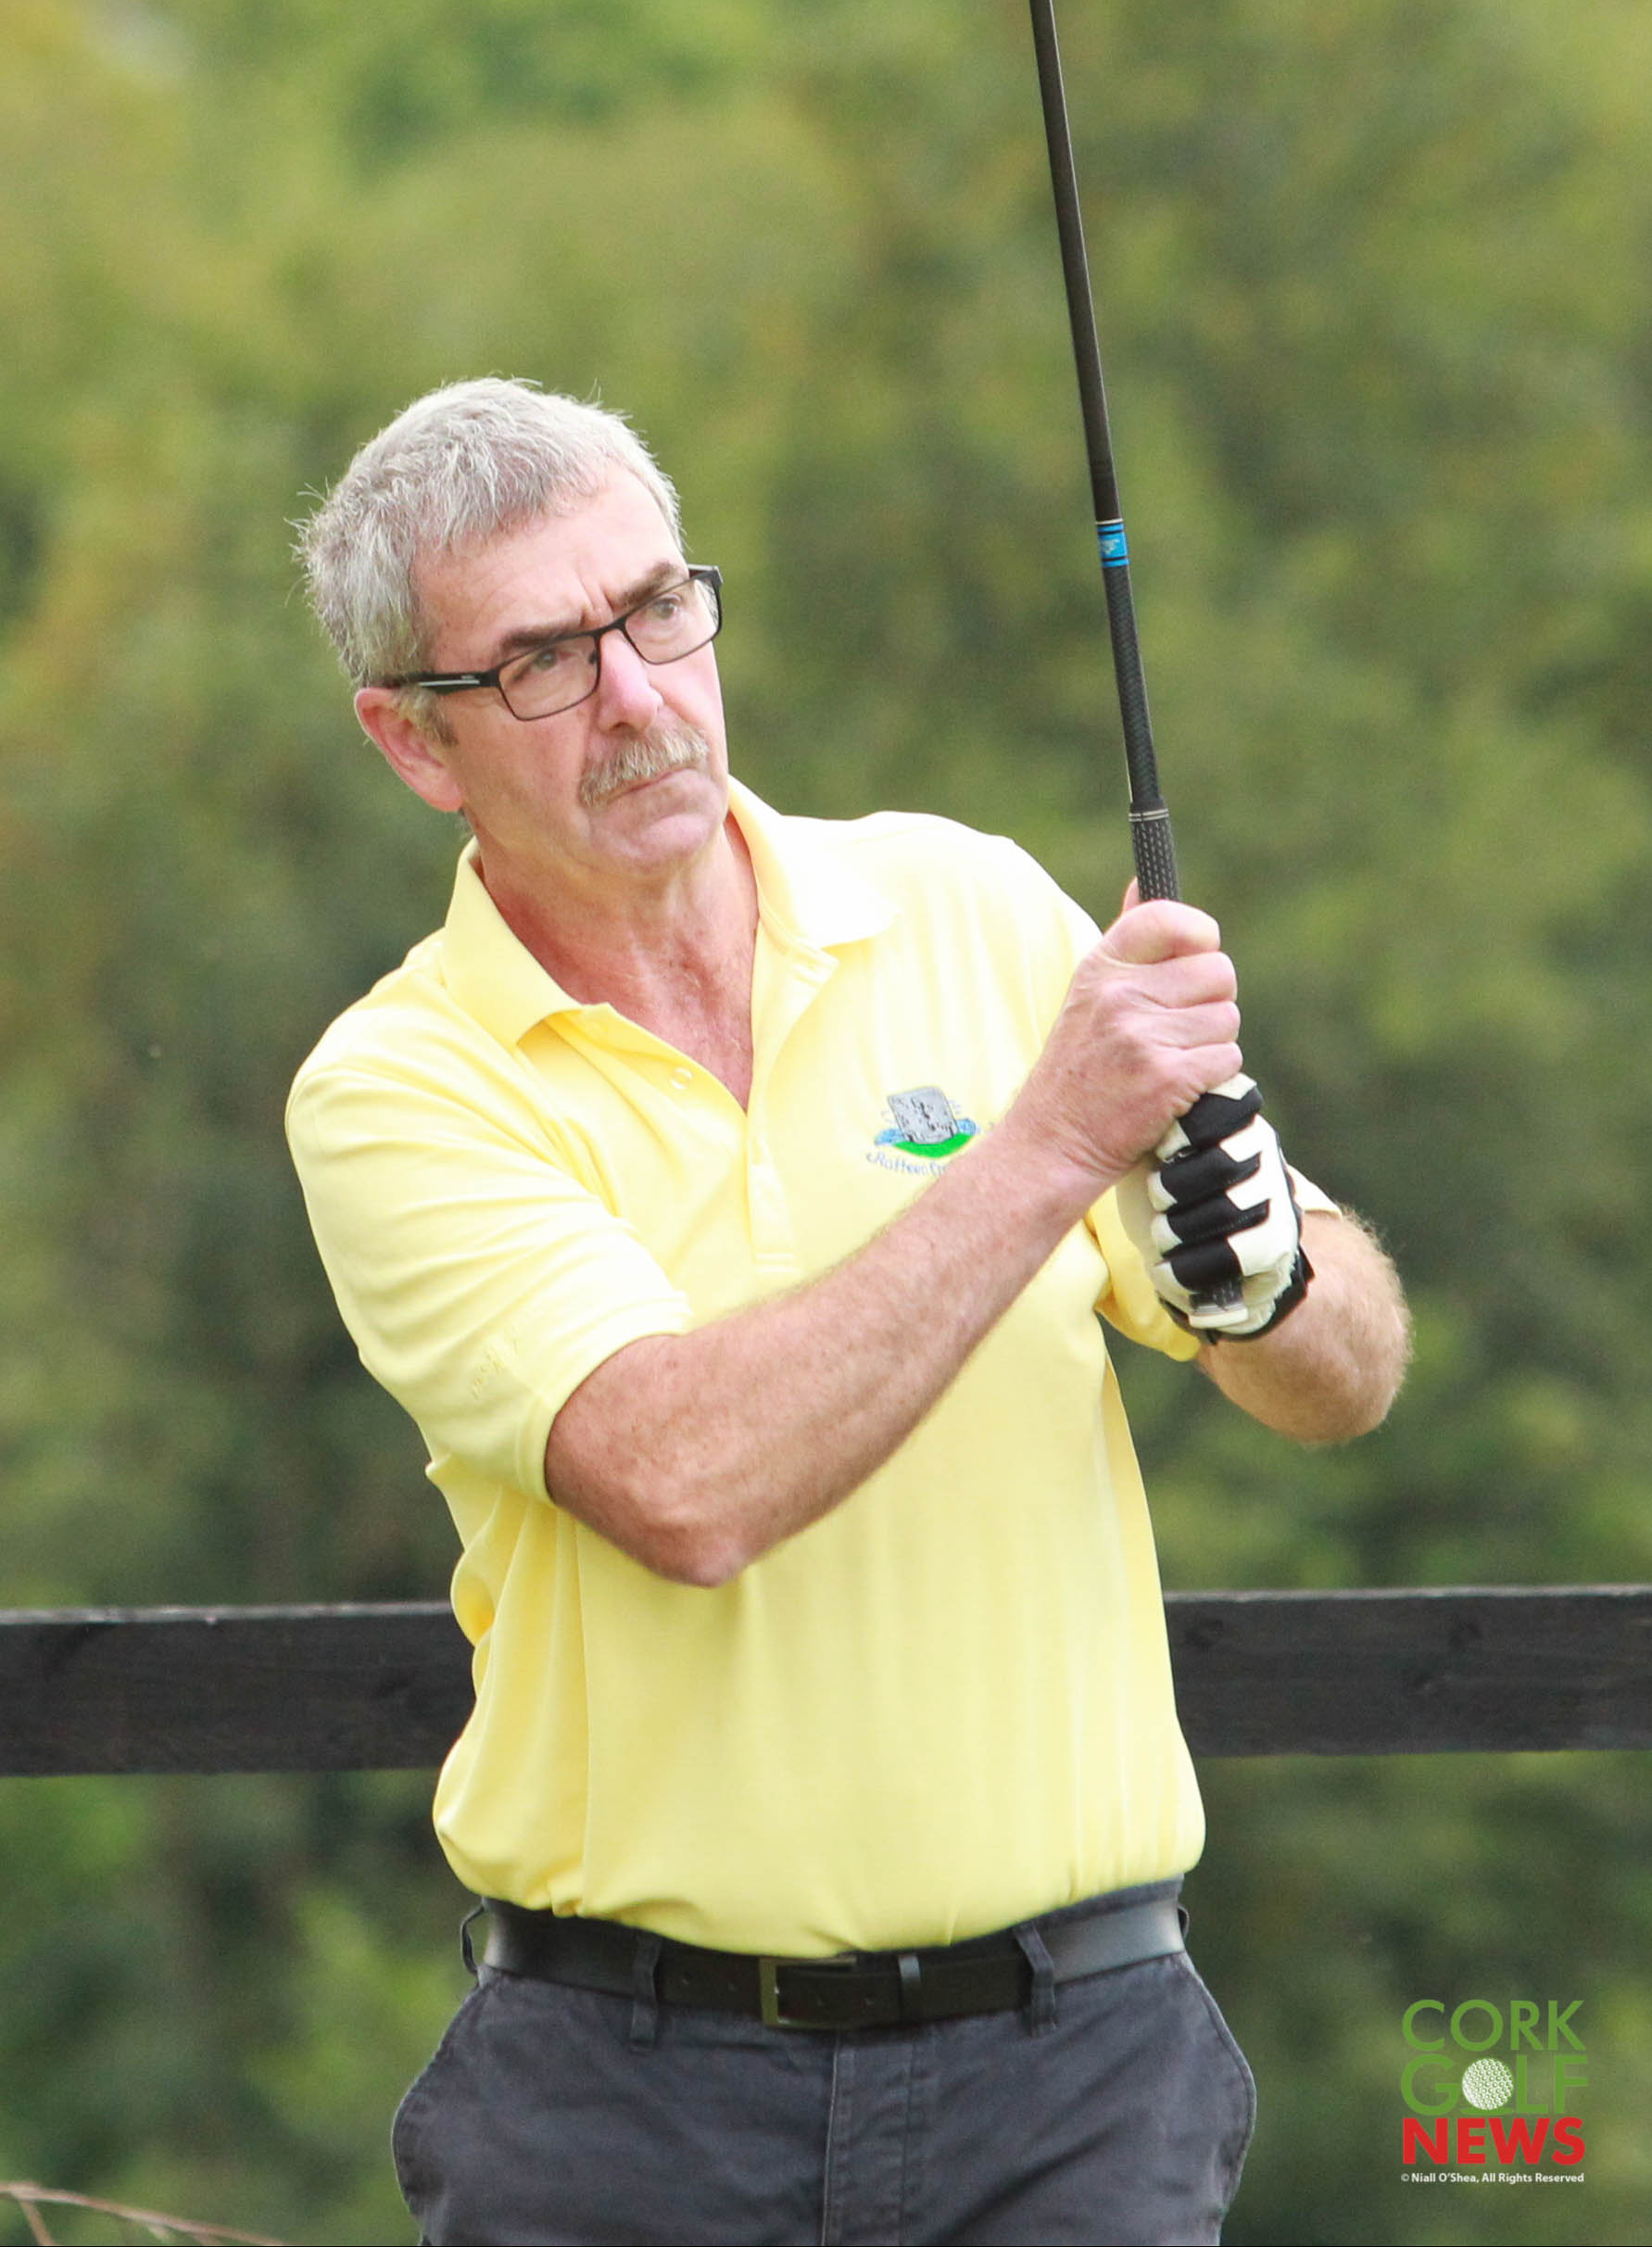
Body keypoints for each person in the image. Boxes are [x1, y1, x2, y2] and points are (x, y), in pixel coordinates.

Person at [288, 377, 1409, 2247]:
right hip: (627, 2100)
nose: (637, 694)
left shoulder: (970, 905)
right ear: (415, 740)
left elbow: (1343, 1376)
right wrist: (1050, 1139)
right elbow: (685, 1480)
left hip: (1080, 2076)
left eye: (658, 608)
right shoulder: (400, 1085)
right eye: (545, 661)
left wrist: (1272, 1280)